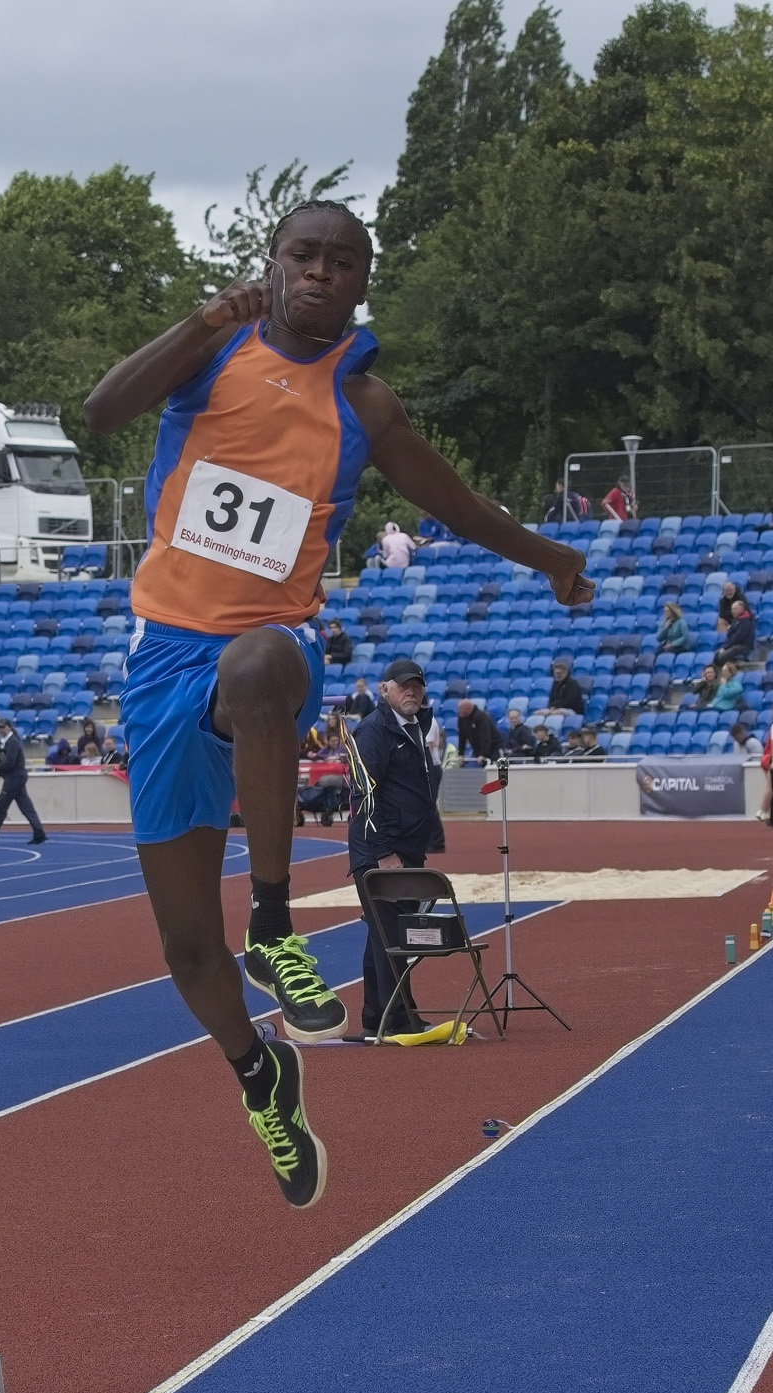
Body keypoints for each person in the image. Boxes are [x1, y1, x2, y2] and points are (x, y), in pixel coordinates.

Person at [82, 198, 592, 1209]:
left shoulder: (364, 405)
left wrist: (551, 559)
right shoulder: (210, 353)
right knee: (186, 945)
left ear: (362, 283)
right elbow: (100, 412)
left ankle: (274, 921)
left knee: (258, 667)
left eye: (341, 262)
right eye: (303, 255)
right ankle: (258, 1070)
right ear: (273, 264)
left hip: (275, 641)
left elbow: (456, 503)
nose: (320, 272)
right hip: (162, 655)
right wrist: (200, 320)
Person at [346, 658, 439, 1037]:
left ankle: (377, 1016)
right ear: (386, 689)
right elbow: (363, 794)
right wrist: (384, 852)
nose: (411, 691)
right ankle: (399, 1019)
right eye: (404, 686)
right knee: (394, 936)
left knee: (383, 934)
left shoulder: (415, 726)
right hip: (381, 853)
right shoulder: (374, 730)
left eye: (417, 685)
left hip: (405, 848)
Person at [0, 718, 46, 846]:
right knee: (26, 806)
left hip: (14, 778)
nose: (1, 730)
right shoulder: (8, 741)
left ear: (9, 727)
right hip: (16, 777)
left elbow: (10, 762)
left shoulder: (12, 742)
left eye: (2, 727)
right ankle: (39, 832)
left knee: (1, 807)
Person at [456, 698, 504, 765]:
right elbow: (462, 737)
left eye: (462, 710)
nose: (460, 712)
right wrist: (461, 754)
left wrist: (483, 754)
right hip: (478, 749)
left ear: (469, 709)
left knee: (498, 767)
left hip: (494, 747)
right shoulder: (461, 718)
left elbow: (486, 736)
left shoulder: (481, 717)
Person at [714, 599, 755, 667]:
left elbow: (738, 637)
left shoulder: (746, 621)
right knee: (716, 655)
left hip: (743, 646)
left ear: (741, 609)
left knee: (722, 657)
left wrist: (726, 647)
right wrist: (724, 647)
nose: (732, 611)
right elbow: (729, 636)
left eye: (735, 609)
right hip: (733, 645)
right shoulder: (735, 620)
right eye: (732, 609)